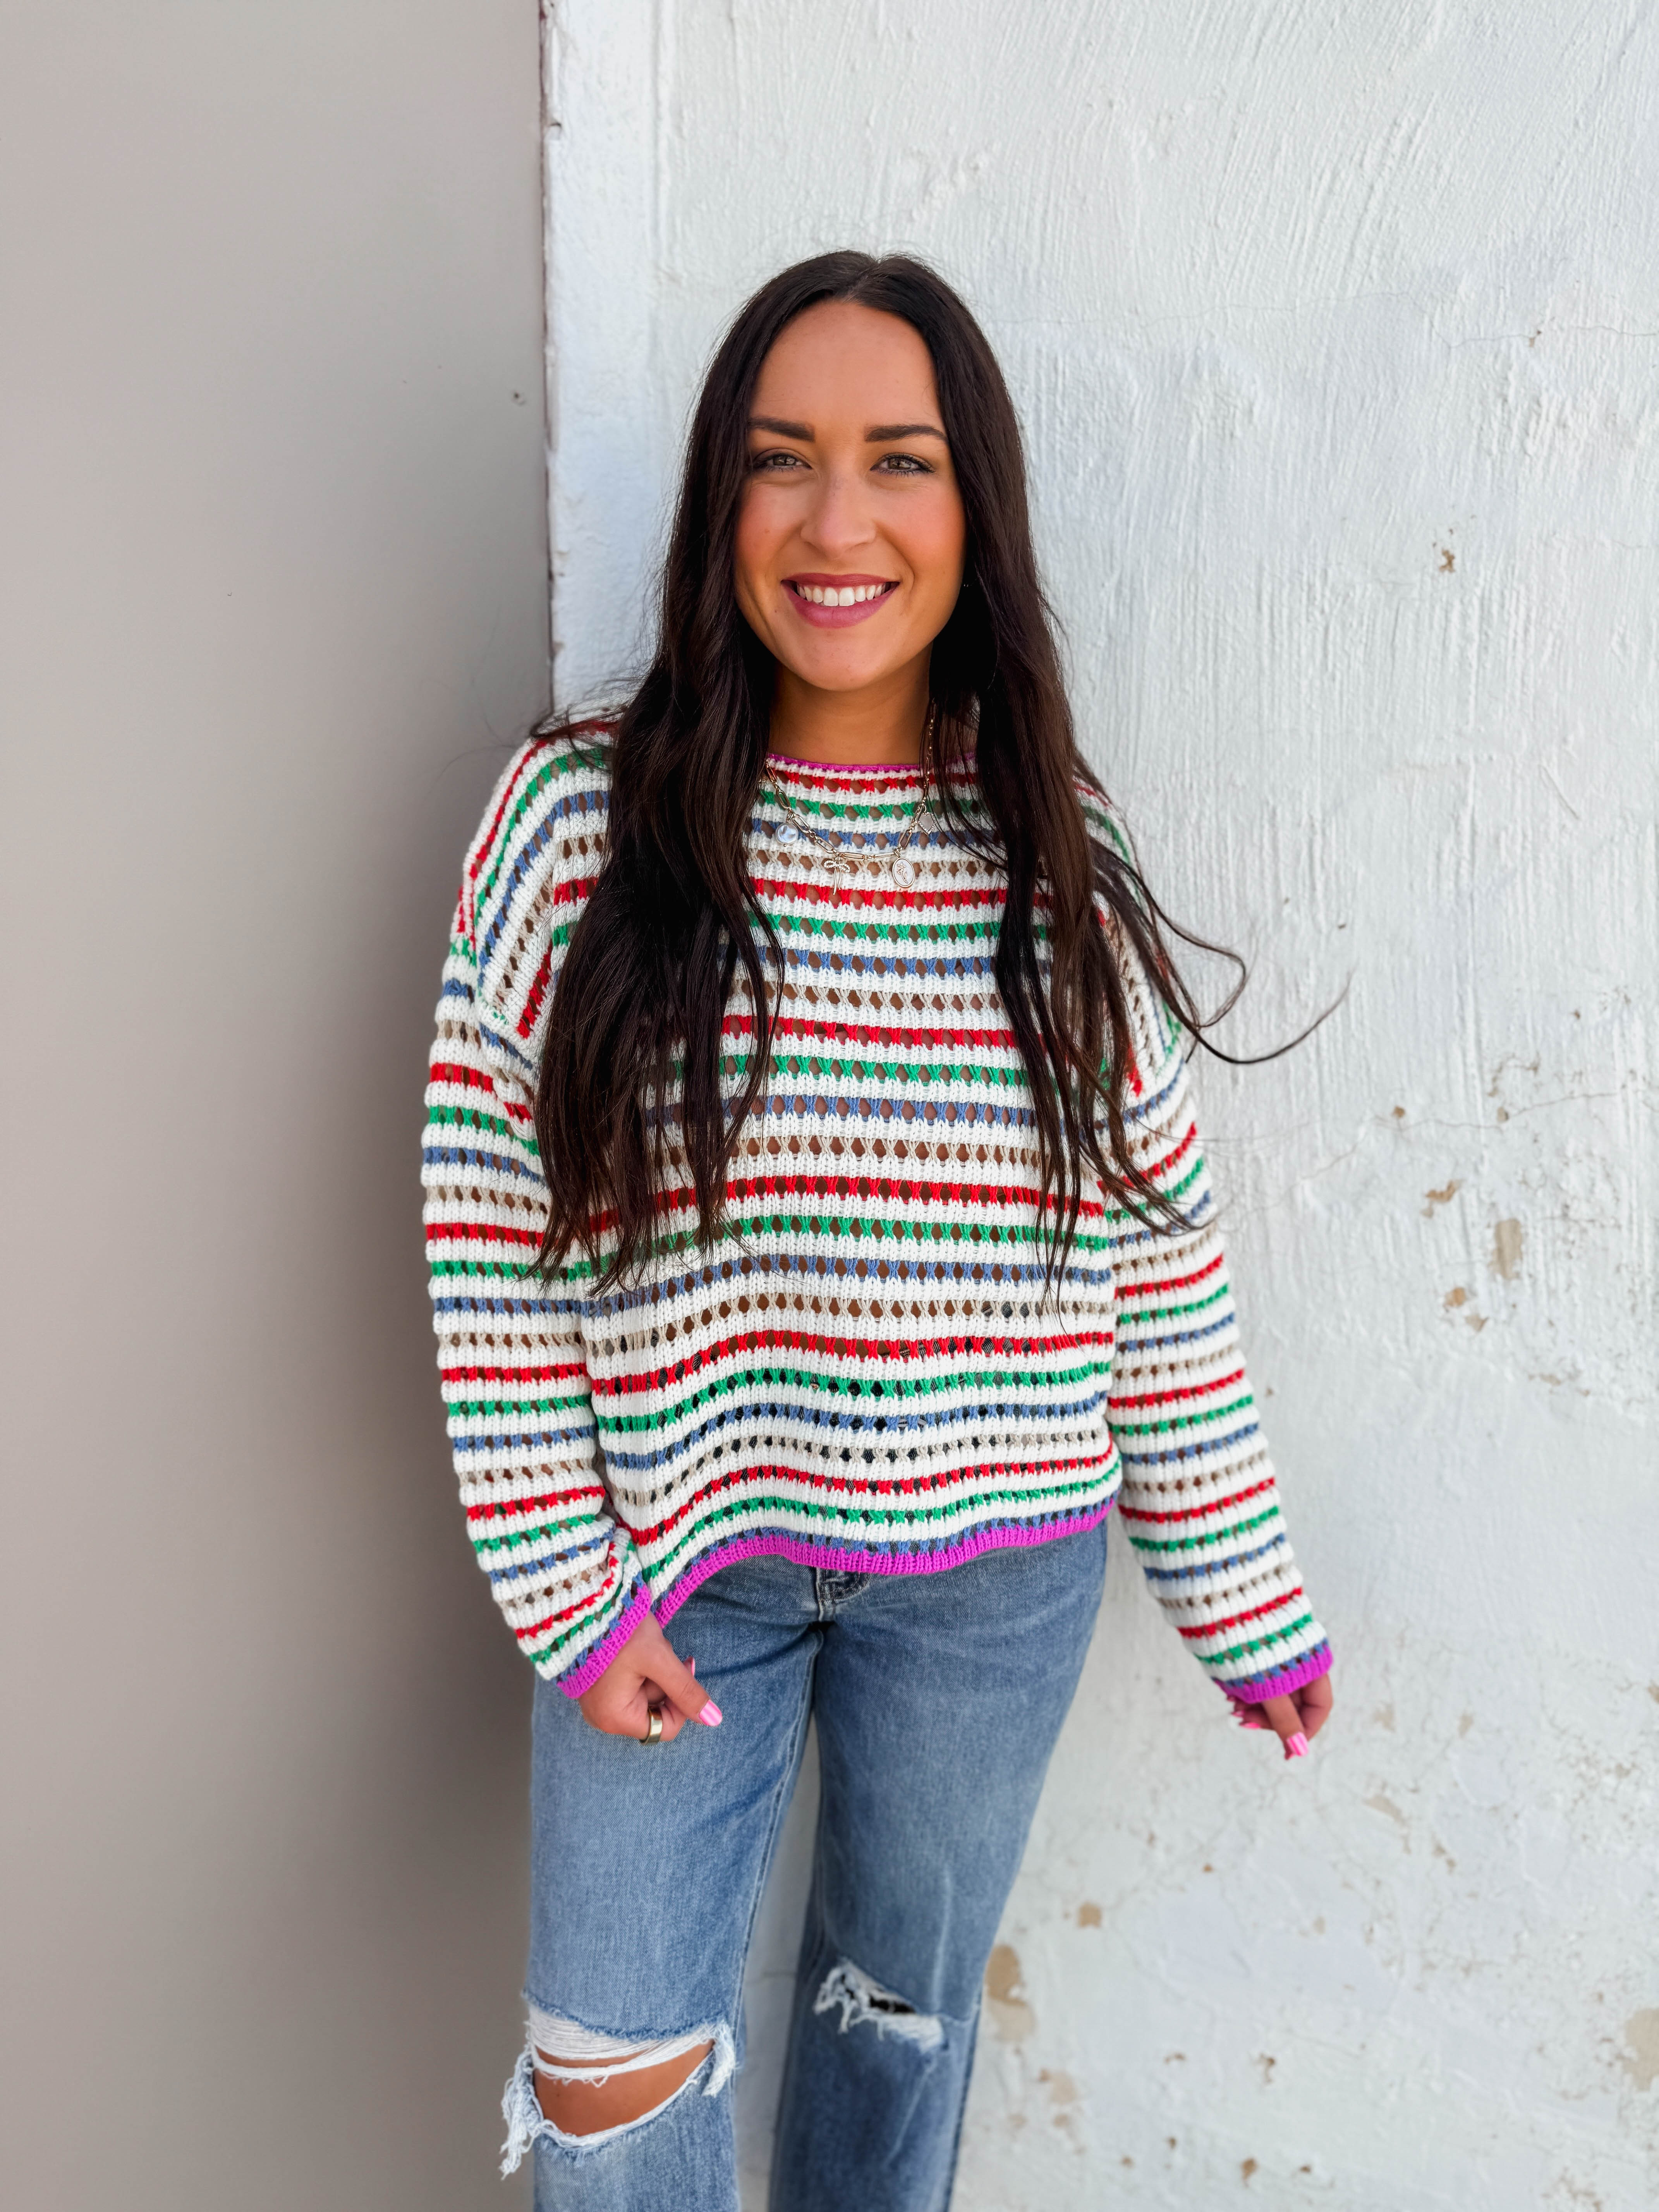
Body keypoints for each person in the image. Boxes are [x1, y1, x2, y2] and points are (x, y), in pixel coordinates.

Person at [421, 250, 1333, 2212]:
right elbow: (489, 1232)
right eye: (784, 460)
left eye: (899, 462)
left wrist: (1239, 1590)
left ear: (972, 510)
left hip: (994, 1576)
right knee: (605, 2078)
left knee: (894, 2027)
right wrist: (571, 1593)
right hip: (675, 1568)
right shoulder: (575, 821)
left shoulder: (1050, 847)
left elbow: (1153, 1247)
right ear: (722, 504)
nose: (838, 523)